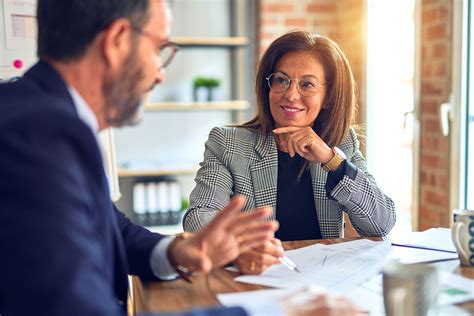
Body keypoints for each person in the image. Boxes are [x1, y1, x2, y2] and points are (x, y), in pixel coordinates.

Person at [0, 1, 366, 316]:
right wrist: (277, 311)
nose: (160, 74)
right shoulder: (39, 135)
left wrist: (180, 250)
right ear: (116, 41)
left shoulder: (40, 118)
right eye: (159, 49)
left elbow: (111, 229)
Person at [183, 31, 396, 275]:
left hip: (321, 282)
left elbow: (381, 223)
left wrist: (331, 160)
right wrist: (240, 248)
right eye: (281, 80)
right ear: (268, 86)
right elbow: (198, 218)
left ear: (327, 97)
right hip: (253, 279)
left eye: (307, 84)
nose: (291, 94)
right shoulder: (228, 143)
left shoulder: (341, 143)